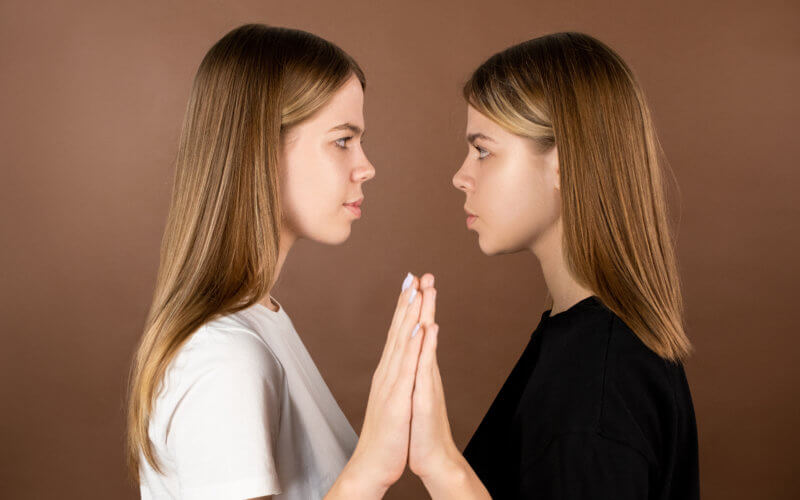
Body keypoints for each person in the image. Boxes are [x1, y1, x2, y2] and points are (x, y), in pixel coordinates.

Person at [125, 24, 437, 499]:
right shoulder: (224, 358)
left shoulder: (259, 322)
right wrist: (372, 464)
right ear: (262, 150)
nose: (366, 166)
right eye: (342, 140)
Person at [406, 32, 700, 499]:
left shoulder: (597, 386)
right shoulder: (582, 346)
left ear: (563, 162)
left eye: (483, 150)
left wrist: (443, 467)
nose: (461, 176)